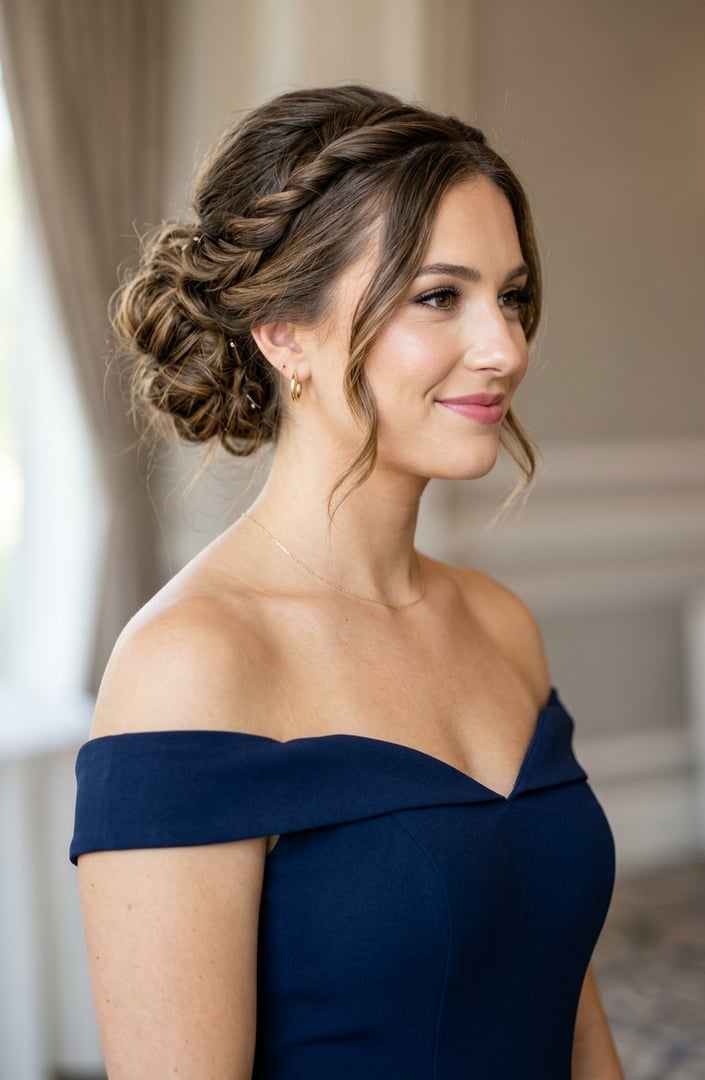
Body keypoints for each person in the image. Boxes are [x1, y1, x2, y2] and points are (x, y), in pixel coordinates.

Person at [70, 84, 623, 1079]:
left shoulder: (501, 624)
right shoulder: (191, 666)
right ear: (284, 329)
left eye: (511, 295)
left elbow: (568, 1002)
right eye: (438, 295)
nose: (506, 347)